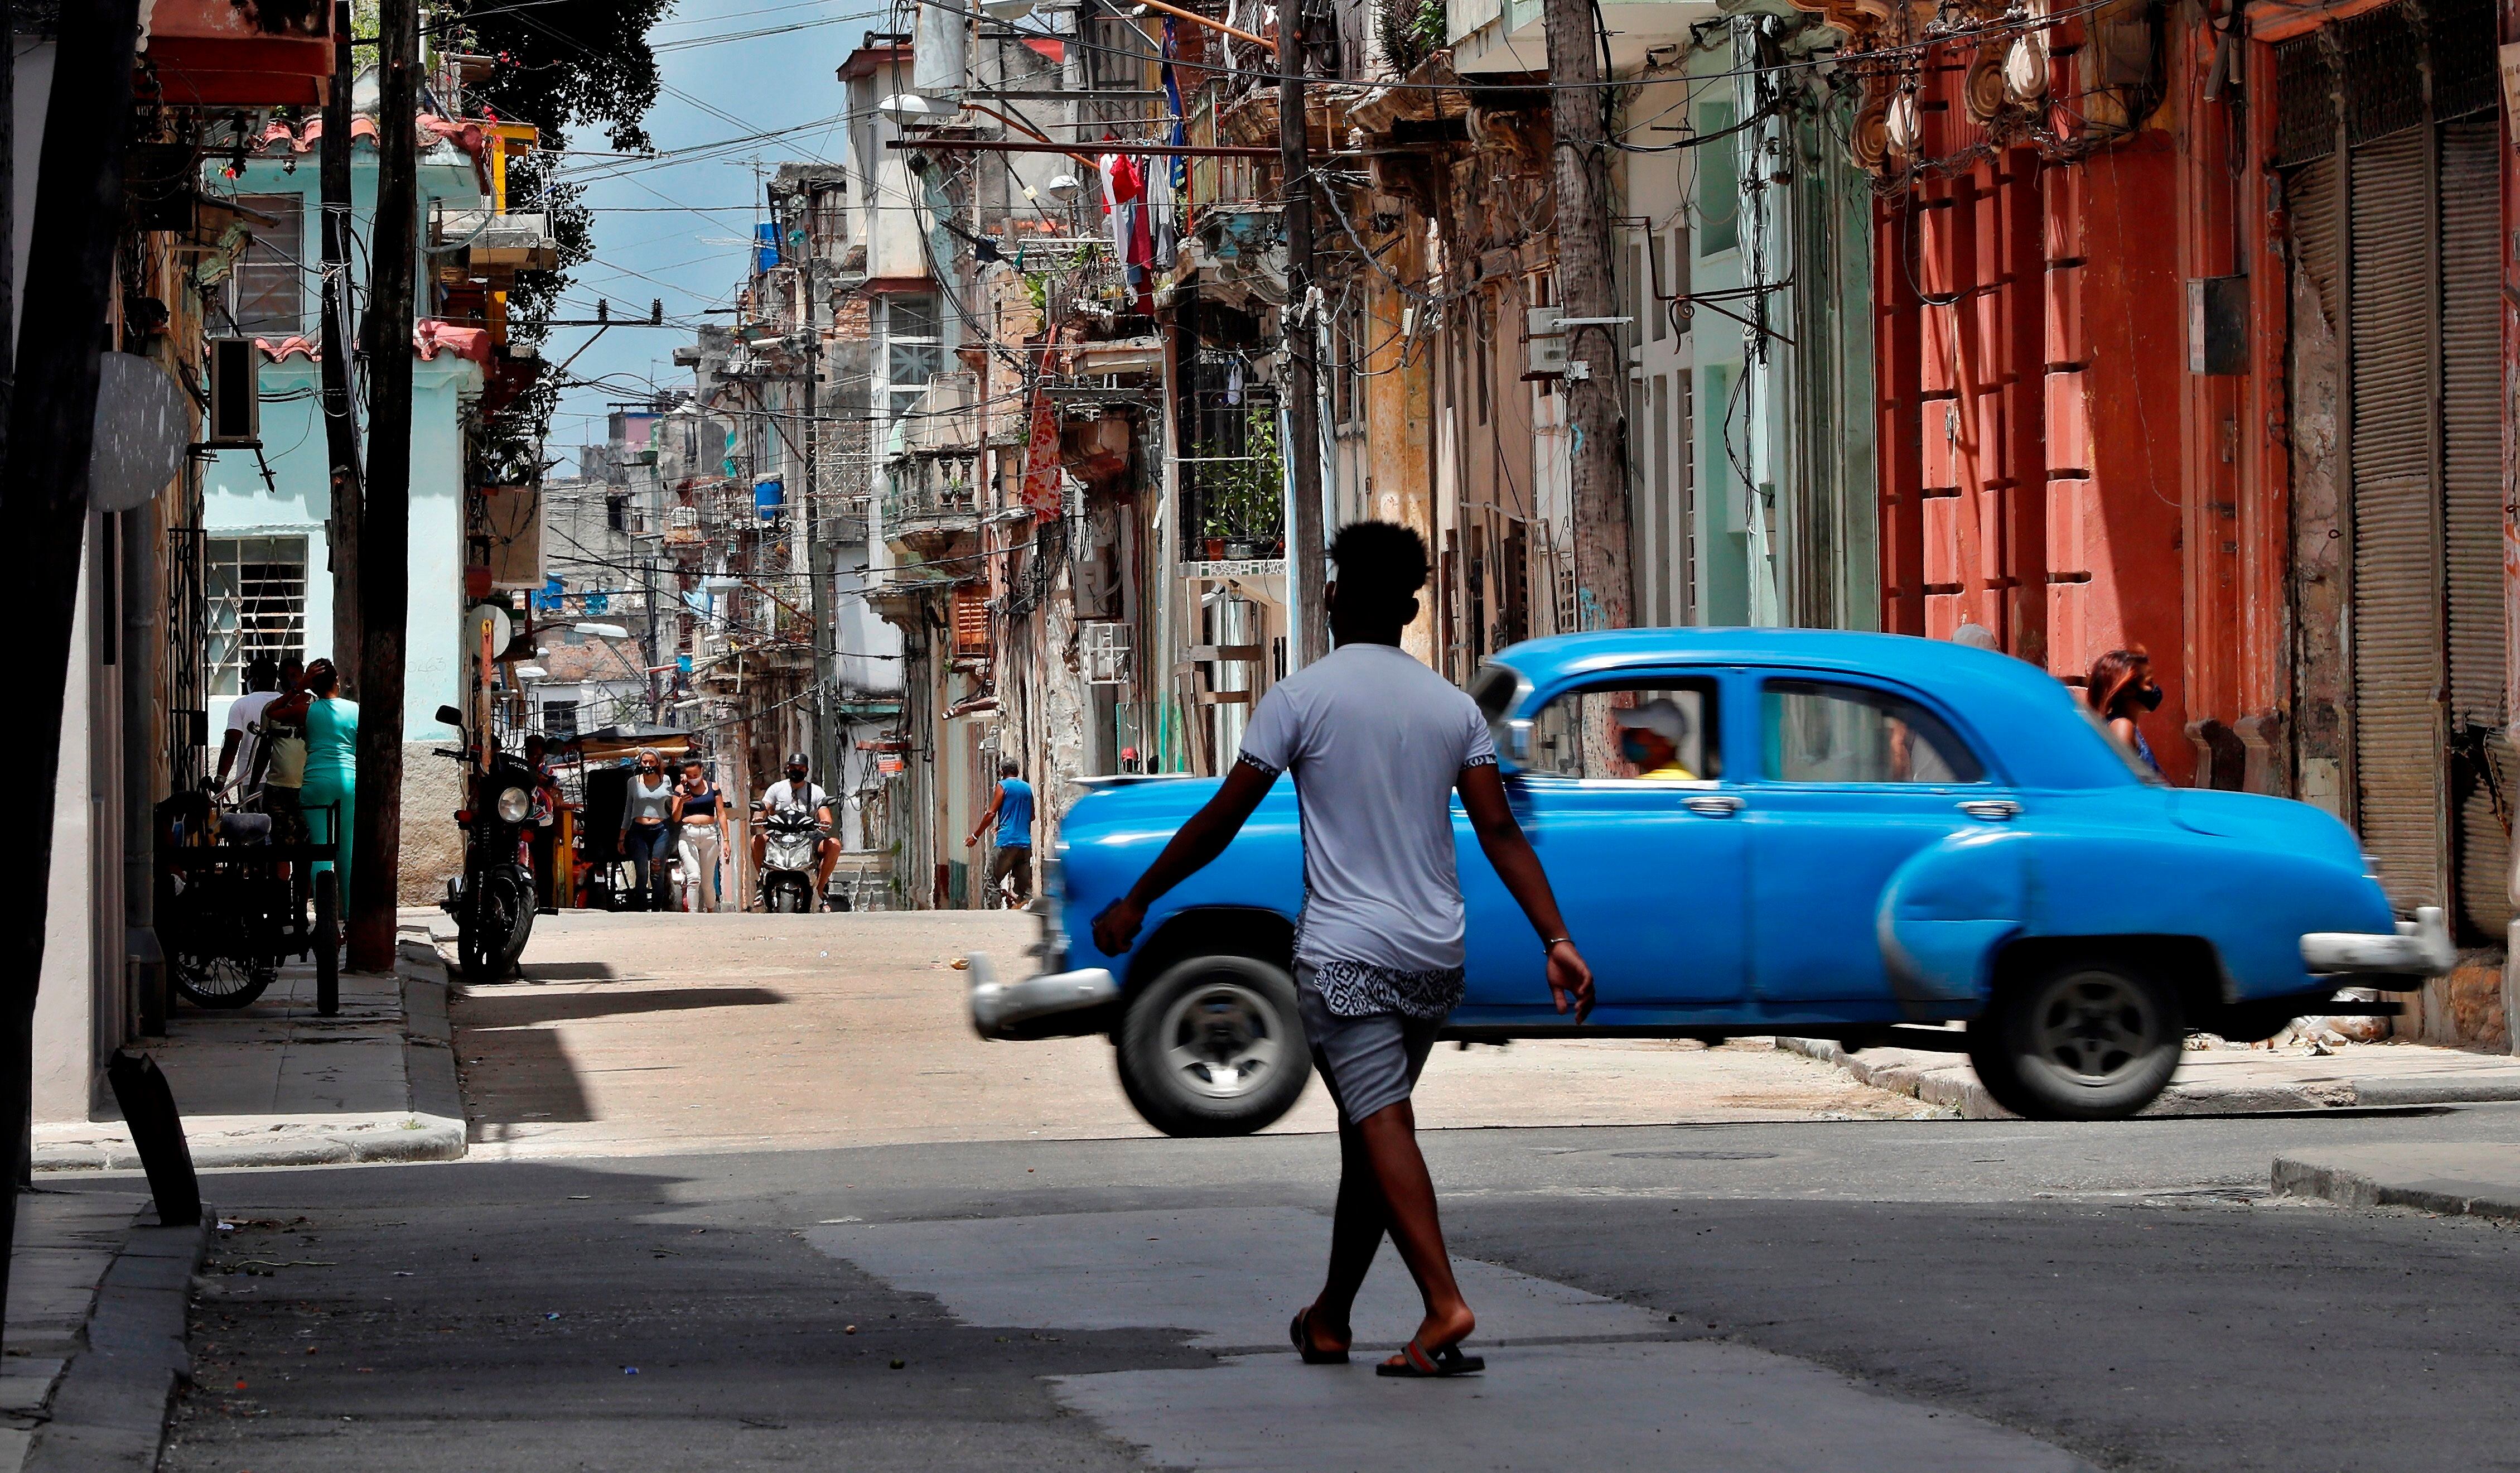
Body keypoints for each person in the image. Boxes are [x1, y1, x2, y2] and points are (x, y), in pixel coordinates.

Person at [1091, 520, 1594, 1380]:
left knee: (1380, 1123)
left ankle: (1444, 1306)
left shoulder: (1300, 699)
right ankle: (1330, 1318)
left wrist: (1139, 898)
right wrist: (1558, 938)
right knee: (1371, 1131)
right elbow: (1501, 830)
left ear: (1332, 597)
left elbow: (1222, 820)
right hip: (1434, 957)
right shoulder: (1451, 708)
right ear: (1406, 606)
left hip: (1346, 957)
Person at [295, 658, 359, 907]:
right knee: (347, 849)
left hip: (316, 783)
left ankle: (324, 915)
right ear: (338, 682)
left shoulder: (307, 710)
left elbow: (272, 712)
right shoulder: (355, 710)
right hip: (348, 783)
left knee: (320, 847)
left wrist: (300, 685)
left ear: (313, 686)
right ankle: (347, 913)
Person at [754, 753, 841, 909]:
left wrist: (826, 822)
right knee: (757, 841)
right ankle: (762, 882)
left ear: (806, 770)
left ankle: (819, 890)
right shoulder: (776, 789)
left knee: (834, 845)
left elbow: (824, 812)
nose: (796, 770)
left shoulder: (816, 791)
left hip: (808, 835)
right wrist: (759, 817)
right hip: (779, 834)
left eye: (800, 768)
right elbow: (764, 807)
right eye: (793, 767)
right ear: (787, 769)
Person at [966, 760, 1036, 906]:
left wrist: (975, 836)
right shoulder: (1027, 788)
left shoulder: (1002, 786)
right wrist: (1005, 823)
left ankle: (996, 915)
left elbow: (991, 813)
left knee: (992, 881)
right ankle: (1027, 915)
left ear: (1002, 772)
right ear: (1017, 771)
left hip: (1006, 842)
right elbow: (1031, 816)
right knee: (1025, 887)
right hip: (1025, 844)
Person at [2087, 646, 2166, 776]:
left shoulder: (2123, 725)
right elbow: (2120, 780)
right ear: (2128, 690)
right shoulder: (2122, 726)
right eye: (2149, 682)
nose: (2154, 688)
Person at [619, 747, 677, 911]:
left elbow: (672, 804)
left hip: (661, 830)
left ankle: (657, 910)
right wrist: (622, 836)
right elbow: (628, 809)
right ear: (640, 763)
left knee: (657, 871)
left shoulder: (665, 780)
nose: (648, 765)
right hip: (639, 830)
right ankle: (641, 910)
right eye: (645, 762)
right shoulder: (633, 782)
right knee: (642, 872)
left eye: (652, 762)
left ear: (657, 763)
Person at [216, 656, 284, 796]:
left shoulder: (242, 705)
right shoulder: (287, 703)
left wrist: (220, 780)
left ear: (254, 680)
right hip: (285, 779)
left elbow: (232, 744)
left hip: (250, 779)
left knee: (252, 817)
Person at [673, 757, 727, 913]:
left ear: (702, 771)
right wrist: (682, 802)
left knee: (708, 882)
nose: (693, 779)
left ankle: (711, 911)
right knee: (694, 877)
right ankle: (693, 913)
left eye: (695, 775)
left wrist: (726, 840)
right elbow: (676, 817)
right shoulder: (680, 790)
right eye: (689, 776)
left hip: (710, 834)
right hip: (688, 835)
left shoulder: (713, 787)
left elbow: (721, 814)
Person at [1612, 699, 1695, 780]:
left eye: (1635, 732)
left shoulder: (1648, 788)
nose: (1626, 733)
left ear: (1661, 746)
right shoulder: (1685, 778)